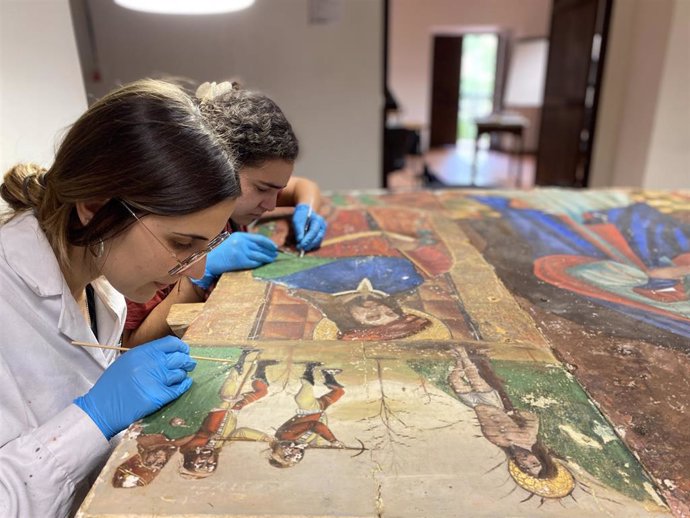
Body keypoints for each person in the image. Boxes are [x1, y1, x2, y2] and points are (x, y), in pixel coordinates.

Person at [0, 78, 243, 517]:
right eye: (182, 242)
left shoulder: (97, 272)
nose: (197, 270)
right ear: (94, 204)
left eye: (207, 244)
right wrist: (91, 419)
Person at [123, 81, 328, 347]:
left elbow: (304, 186)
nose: (271, 204)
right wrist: (198, 276)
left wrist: (307, 209)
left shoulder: (241, 202)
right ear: (218, 169)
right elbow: (129, 345)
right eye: (263, 189)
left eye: (279, 190)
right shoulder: (161, 232)